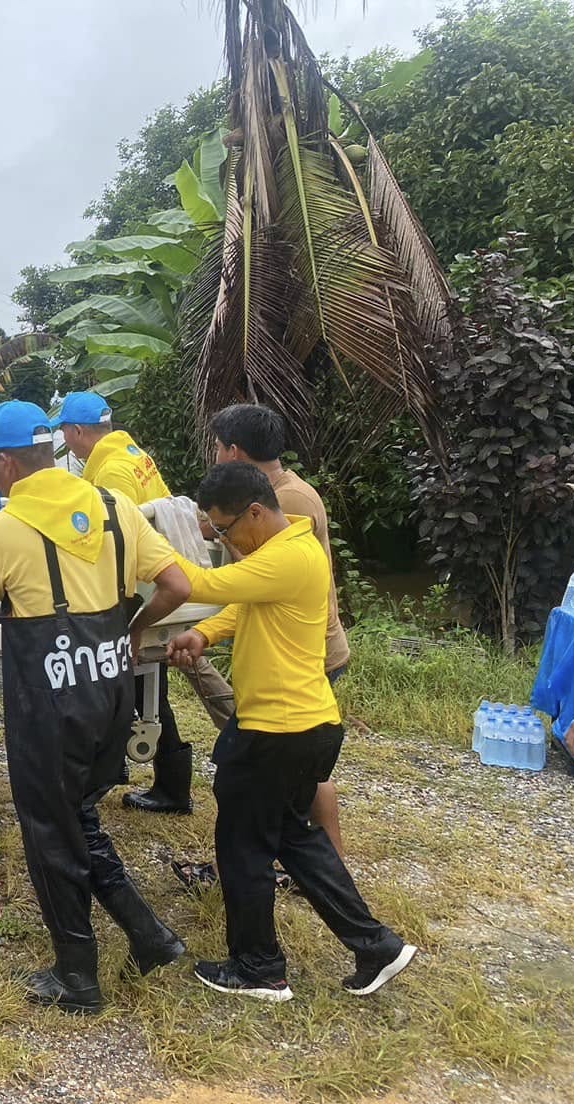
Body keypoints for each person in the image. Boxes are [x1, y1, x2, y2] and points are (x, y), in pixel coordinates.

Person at [0, 401, 192, 1013]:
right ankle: (150, 936)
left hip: (50, 701)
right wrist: (134, 630)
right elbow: (178, 585)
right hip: (112, 691)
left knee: (49, 831)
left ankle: (78, 976)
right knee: (78, 816)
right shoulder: (116, 509)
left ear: (5, 462)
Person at [166, 463, 414, 1001]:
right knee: (293, 838)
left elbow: (200, 583)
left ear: (255, 512)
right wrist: (203, 634)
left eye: (225, 529)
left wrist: (139, 540)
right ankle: (376, 945)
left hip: (275, 732)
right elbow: (241, 609)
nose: (226, 541)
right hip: (308, 726)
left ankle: (258, 968)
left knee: (242, 846)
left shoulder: (286, 557)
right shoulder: (290, 551)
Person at [206, 403, 351, 856]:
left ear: (234, 451)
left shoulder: (285, 500)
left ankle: (322, 862)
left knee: (297, 773)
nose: (214, 456)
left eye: (217, 447)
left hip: (305, 647)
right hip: (296, 637)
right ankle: (309, 863)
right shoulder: (280, 491)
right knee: (292, 773)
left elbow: (245, 575)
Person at [52, 391, 195, 816]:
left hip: (134, 589)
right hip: (153, 581)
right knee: (145, 687)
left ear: (78, 431)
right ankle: (170, 785)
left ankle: (134, 782)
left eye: (65, 433)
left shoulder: (111, 470)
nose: (66, 442)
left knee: (115, 685)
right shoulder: (133, 454)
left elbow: (111, 539)